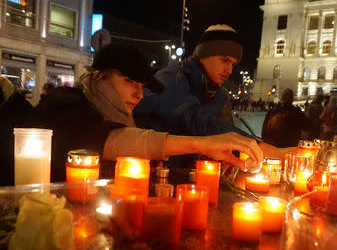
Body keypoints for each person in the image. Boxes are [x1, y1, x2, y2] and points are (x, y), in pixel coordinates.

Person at [0, 43, 262, 185]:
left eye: (142, 86)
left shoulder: (112, 111)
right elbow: (113, 141)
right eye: (129, 82)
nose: (139, 94)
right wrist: (201, 142)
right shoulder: (68, 103)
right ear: (100, 78)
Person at [133, 24, 291, 168]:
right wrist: (263, 148)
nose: (229, 70)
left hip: (185, 177)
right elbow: (197, 120)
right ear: (203, 54)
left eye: (233, 64)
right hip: (144, 169)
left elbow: (221, 138)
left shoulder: (217, 96)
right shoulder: (172, 77)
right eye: (224, 60)